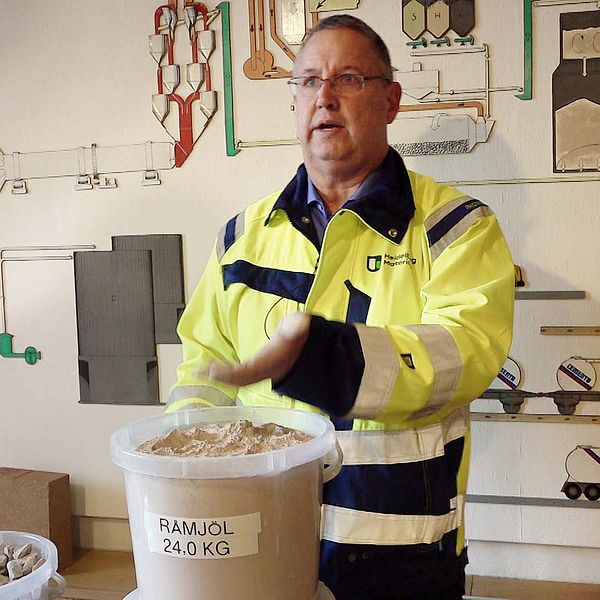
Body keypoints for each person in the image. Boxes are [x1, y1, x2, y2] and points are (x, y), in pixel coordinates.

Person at [167, 14, 514, 600]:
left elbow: (464, 355)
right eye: (307, 81)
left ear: (391, 100)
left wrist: (320, 358)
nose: (323, 97)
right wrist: (187, 470)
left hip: (402, 550)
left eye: (348, 79)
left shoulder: (455, 227)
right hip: (264, 538)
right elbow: (202, 373)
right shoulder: (240, 237)